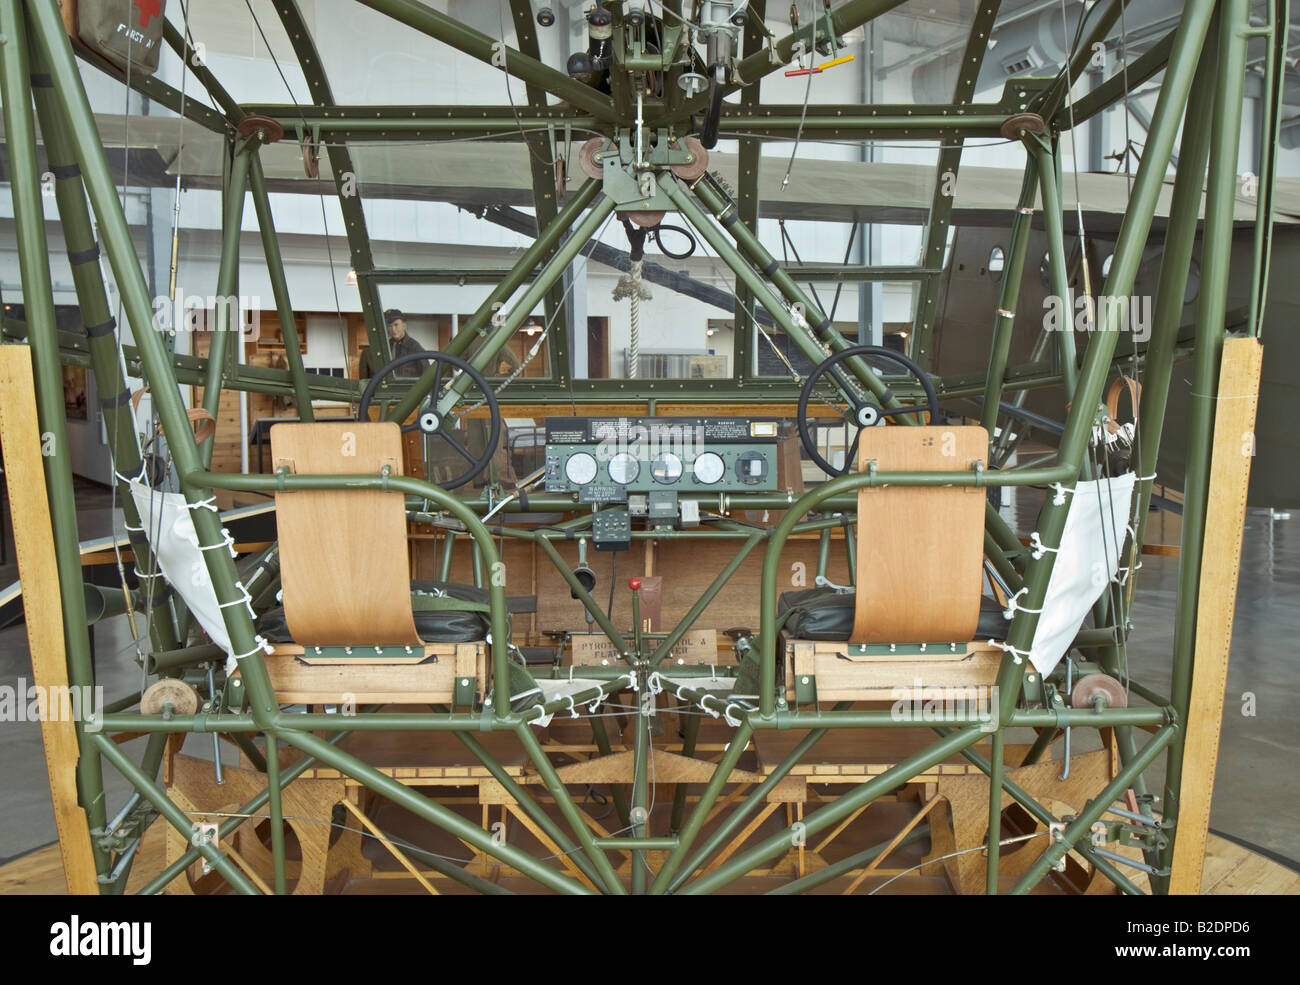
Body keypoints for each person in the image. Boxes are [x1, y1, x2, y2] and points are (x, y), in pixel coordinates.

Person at [361, 309, 429, 378]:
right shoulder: (385, 346)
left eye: (396, 325)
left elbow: (427, 375)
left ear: (404, 325)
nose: (393, 329)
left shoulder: (415, 347)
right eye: (389, 326)